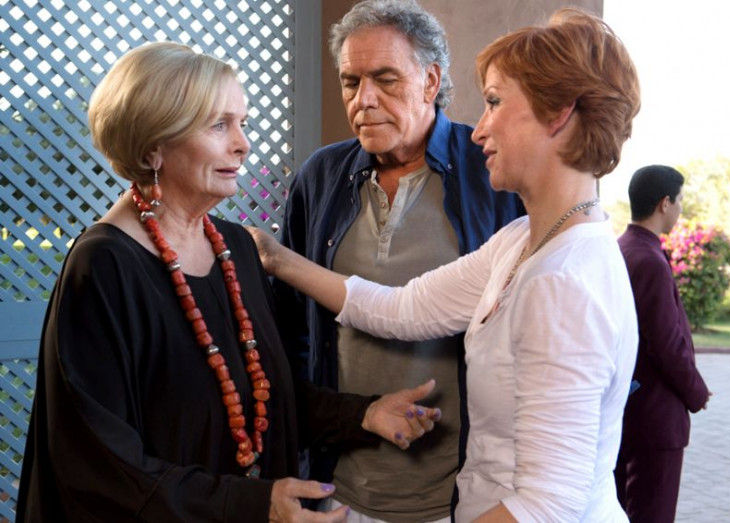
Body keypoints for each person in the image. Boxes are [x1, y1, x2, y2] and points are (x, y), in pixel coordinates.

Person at [15, 41, 443, 523]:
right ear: (153, 144)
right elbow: (97, 465)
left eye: (242, 123)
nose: (242, 144)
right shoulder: (103, 266)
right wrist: (253, 503)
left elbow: (262, 395)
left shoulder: (235, 247)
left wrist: (361, 415)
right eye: (219, 125)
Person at [250, 7, 642, 522]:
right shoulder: (521, 240)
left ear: (558, 114)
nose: (479, 130)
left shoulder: (564, 281)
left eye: (495, 102)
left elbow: (548, 505)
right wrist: (274, 256)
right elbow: (401, 309)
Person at [274, 1, 523, 520]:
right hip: (339, 488)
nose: (363, 99)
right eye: (351, 82)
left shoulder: (492, 173)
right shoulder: (320, 176)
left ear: (430, 81)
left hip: (459, 498)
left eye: (385, 79)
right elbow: (290, 330)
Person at [614, 165, 711, 522]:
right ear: (664, 203)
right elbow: (666, 343)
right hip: (655, 417)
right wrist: (696, 392)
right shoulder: (649, 259)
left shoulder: (622, 248)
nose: (681, 209)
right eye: (680, 200)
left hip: (627, 409)